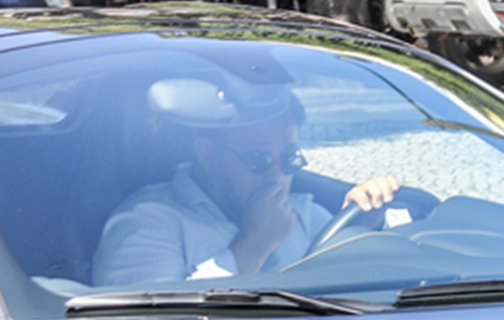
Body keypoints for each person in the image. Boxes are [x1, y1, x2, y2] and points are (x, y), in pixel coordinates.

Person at [92, 80, 398, 285]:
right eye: (259, 160)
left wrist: (363, 229)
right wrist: (253, 245)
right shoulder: (147, 222)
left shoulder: (303, 213)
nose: (277, 175)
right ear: (207, 153)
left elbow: (365, 284)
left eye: (290, 158)